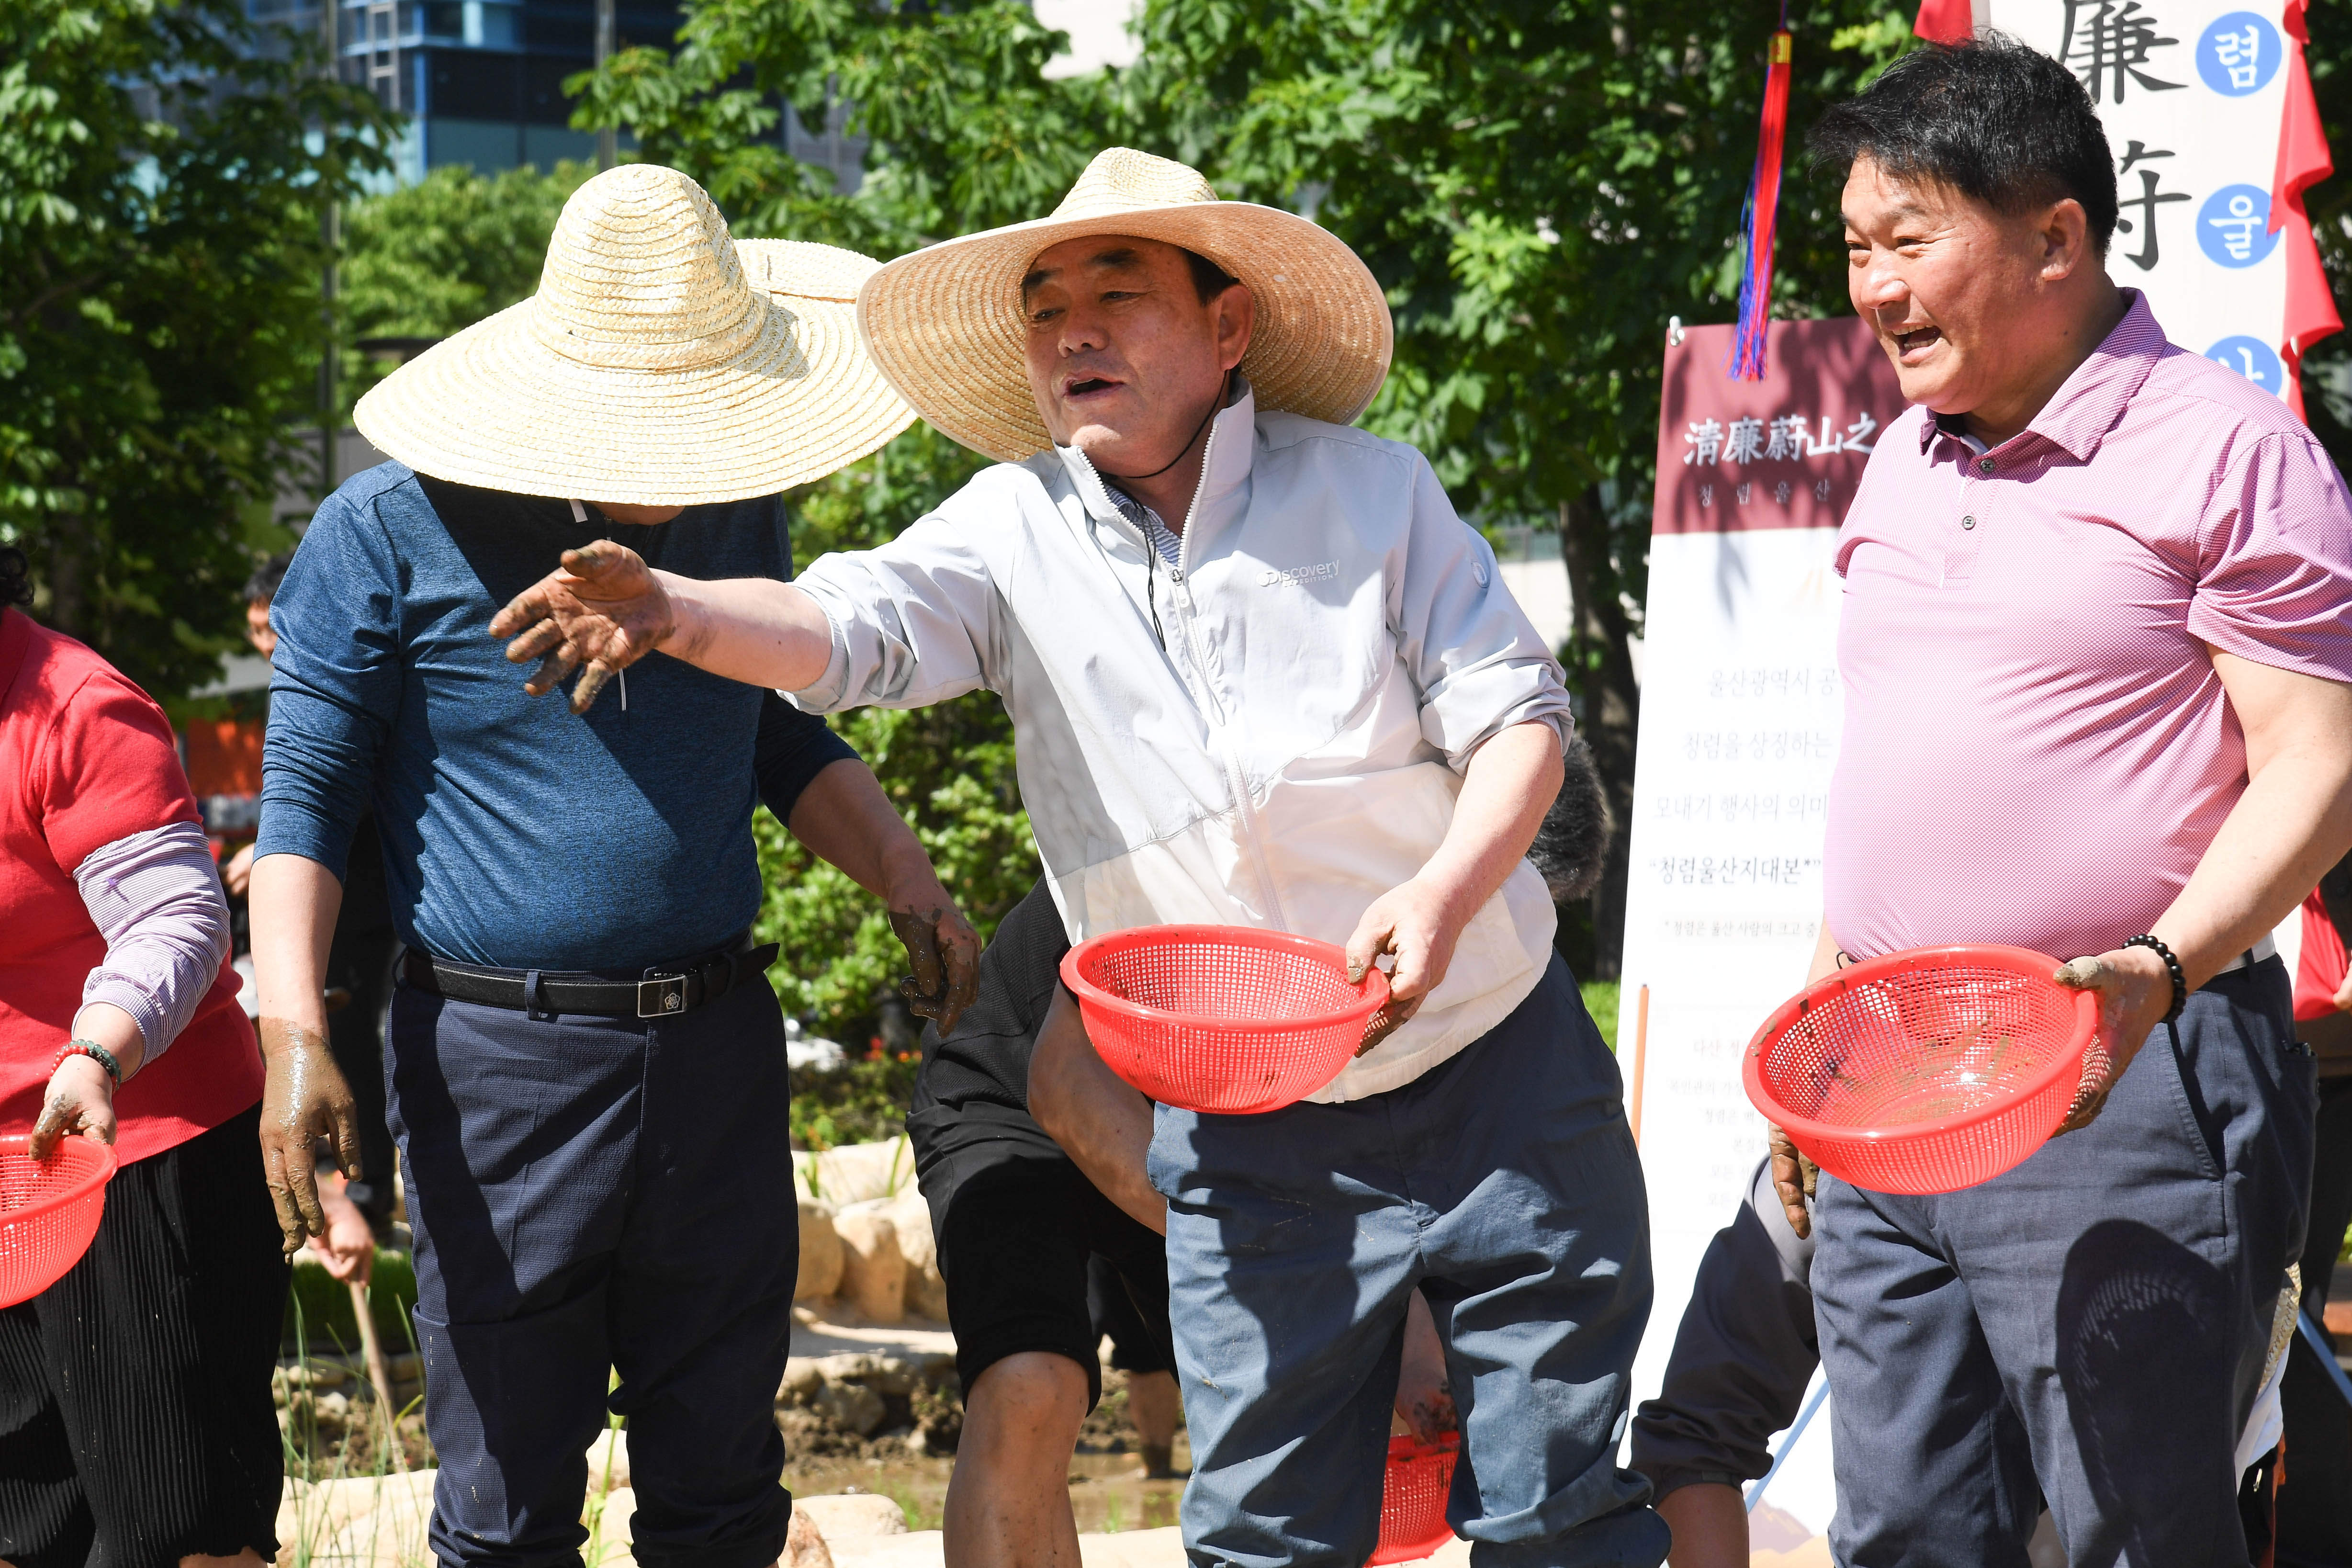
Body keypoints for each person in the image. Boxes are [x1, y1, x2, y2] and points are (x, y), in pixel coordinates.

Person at [495, 147, 1667, 1568]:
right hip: (1255, 1116)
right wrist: (677, 606)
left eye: (1119, 289)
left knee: (1557, 1509)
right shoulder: (1009, 531)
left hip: (1501, 1070)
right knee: (1262, 1535)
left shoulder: (1373, 496)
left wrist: (1438, 892)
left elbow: (1519, 721)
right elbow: (841, 628)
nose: (1072, 330)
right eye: (1046, 308)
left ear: (1227, 330)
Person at [249, 170, 981, 1568]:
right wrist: (292, 1030)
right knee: (509, 1507)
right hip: (498, 1060)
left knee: (721, 1492)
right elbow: (308, 795)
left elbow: (776, 728)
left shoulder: (731, 516)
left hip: (710, 1046)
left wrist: (908, 875)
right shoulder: (389, 530)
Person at [1778, 37, 2352, 1564]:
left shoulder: (2231, 451)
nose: (1875, 288)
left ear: (2055, 237)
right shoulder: (1901, 455)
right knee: (1902, 1525)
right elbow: (1904, 755)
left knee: (2133, 1528)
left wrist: (2153, 976)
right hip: (1890, 1086)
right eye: (1855, 249)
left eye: (1912, 241)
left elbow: (2319, 766)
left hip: (2127, 1070)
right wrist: (1827, 996)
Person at [0, 545, 289, 1568]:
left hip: (129, 1143)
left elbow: (176, 913)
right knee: (24, 1530)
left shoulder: (71, 705)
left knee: (179, 1531)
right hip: (4, 1184)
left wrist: (97, 1052)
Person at [225, 551, 401, 1243]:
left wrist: (269, 851)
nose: (265, 644)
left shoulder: (342, 673)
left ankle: (367, 1195)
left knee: (351, 1047)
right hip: (313, 908)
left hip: (354, 904)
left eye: (272, 628)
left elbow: (342, 790)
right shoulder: (286, 684)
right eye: (254, 632)